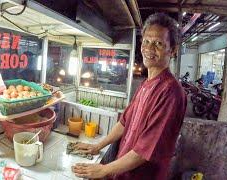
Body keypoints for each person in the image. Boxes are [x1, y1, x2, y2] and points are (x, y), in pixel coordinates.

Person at [71, 13, 187, 180]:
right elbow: (124, 122)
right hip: (123, 172)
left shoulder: (170, 92)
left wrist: (103, 170)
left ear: (173, 50)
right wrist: (97, 146)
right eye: (146, 41)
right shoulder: (146, 84)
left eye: (158, 43)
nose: (149, 48)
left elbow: (144, 151)